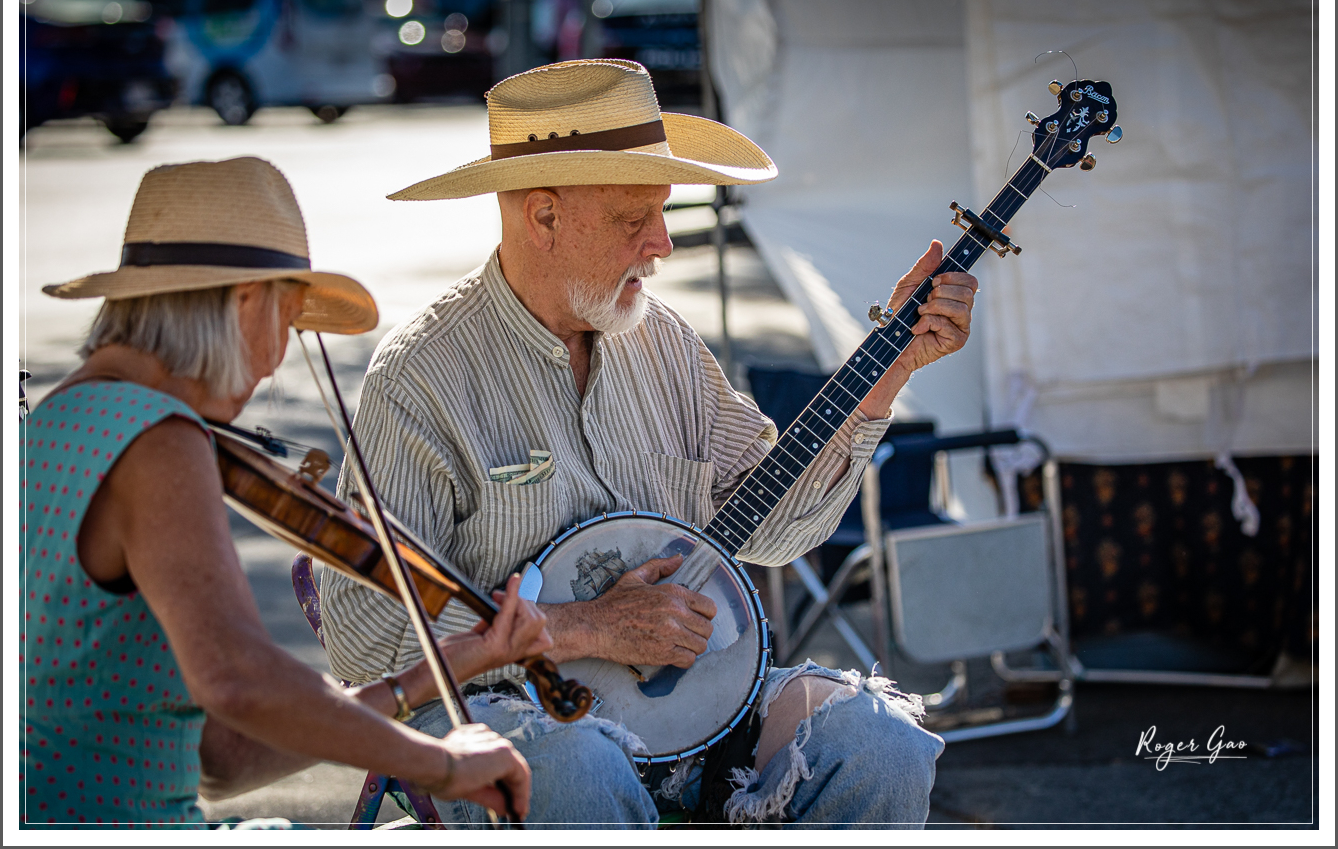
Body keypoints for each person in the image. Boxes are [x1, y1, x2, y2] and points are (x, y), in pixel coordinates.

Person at [320, 60, 976, 827]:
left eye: (663, 212)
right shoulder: (421, 375)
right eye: (636, 218)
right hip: (499, 712)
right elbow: (365, 643)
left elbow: (775, 529)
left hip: (696, 705)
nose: (662, 242)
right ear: (544, 217)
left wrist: (888, 371)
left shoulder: (660, 339)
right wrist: (583, 628)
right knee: (582, 767)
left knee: (881, 743)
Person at [21, 157, 542, 827]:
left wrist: (444, 666)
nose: (273, 365)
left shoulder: (55, 421)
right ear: (243, 303)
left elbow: (225, 756)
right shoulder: (162, 442)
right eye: (290, 322)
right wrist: (442, 764)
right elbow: (239, 678)